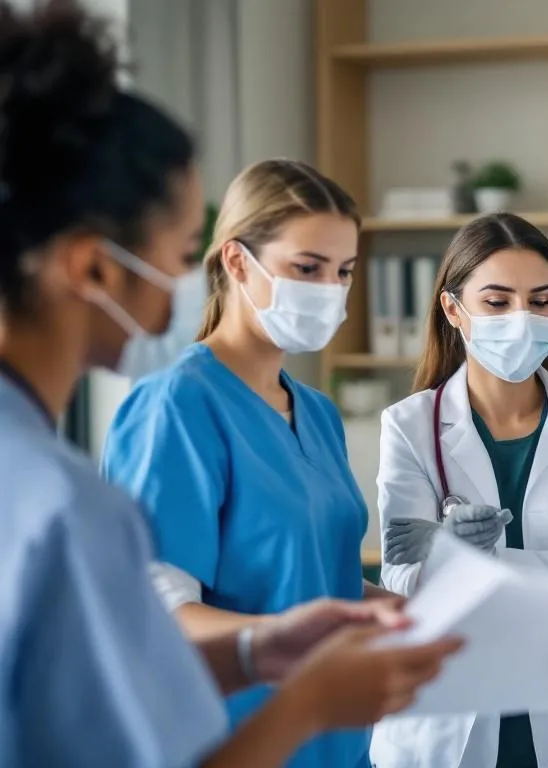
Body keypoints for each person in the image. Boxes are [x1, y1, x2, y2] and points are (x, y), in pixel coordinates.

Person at [0, 2, 459, 766]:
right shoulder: (69, 497)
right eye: (182, 251)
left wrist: (277, 648)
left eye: (343, 271)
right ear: (93, 266)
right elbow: (146, 671)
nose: (183, 279)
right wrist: (304, 690)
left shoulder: (309, 415)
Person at [100, 158, 404, 768]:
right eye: (307, 268)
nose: (329, 290)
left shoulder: (316, 413)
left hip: (340, 743)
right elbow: (157, 610)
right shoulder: (179, 404)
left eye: (343, 271)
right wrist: (291, 647)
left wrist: (389, 607)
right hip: (235, 742)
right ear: (238, 262)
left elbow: (314, 579)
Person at [370, 213, 548, 768]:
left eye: (540, 301)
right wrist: (442, 558)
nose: (522, 318)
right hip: (448, 712)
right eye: (497, 302)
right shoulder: (409, 425)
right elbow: (401, 576)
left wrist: (472, 560)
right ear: (454, 310)